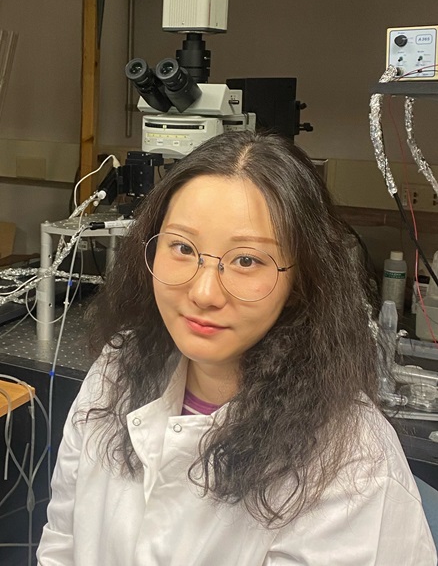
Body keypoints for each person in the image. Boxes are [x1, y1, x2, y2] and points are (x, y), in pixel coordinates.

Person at [37, 130, 436, 566]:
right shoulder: (116, 368)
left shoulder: (352, 463)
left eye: (247, 260)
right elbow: (61, 543)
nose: (204, 292)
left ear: (302, 278)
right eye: (182, 247)